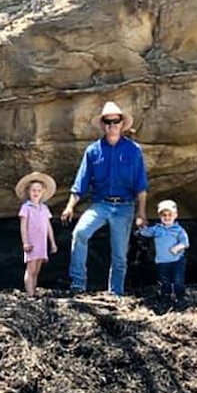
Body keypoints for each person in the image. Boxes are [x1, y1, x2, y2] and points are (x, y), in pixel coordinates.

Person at [60, 102, 149, 295]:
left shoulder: (134, 150)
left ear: (122, 123)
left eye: (115, 121)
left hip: (124, 206)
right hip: (100, 204)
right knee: (80, 233)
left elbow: (141, 185)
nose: (112, 125)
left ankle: (116, 293)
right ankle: (78, 284)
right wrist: (69, 207)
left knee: (119, 255)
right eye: (107, 122)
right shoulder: (93, 151)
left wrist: (141, 213)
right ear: (102, 125)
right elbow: (80, 183)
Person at [137, 199, 190, 309]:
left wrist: (177, 248)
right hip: (162, 261)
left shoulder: (178, 230)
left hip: (177, 261)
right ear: (160, 216)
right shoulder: (157, 229)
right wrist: (141, 226)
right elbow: (146, 232)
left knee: (178, 281)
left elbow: (185, 242)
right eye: (164, 215)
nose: (167, 217)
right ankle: (165, 299)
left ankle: (180, 299)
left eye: (169, 215)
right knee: (164, 281)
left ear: (175, 215)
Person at [15, 172, 58, 296]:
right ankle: (30, 294)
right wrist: (25, 242)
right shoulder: (26, 207)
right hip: (32, 241)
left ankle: (33, 291)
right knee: (31, 268)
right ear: (29, 191)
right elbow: (23, 226)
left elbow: (48, 226)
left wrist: (53, 242)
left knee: (37, 269)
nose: (36, 192)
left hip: (42, 242)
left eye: (39, 190)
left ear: (43, 192)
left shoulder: (44, 208)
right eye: (33, 190)